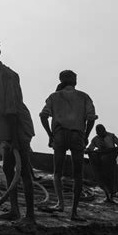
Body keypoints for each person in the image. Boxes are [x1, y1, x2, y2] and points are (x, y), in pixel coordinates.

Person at [0, 37, 35, 225]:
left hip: (17, 125)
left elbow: (11, 107)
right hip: (4, 127)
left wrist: (14, 139)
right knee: (7, 167)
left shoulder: (7, 75)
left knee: (24, 170)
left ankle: (30, 216)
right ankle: (14, 210)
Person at [40, 70, 98, 221]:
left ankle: (60, 203)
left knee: (57, 172)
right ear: (74, 81)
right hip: (77, 134)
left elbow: (43, 115)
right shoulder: (84, 96)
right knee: (78, 174)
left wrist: (49, 134)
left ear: (61, 80)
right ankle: (74, 212)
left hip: (59, 134)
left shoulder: (54, 96)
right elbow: (91, 118)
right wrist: (86, 135)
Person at [86, 124, 118, 202]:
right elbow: (90, 148)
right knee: (102, 179)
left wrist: (111, 150)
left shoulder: (111, 136)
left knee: (112, 179)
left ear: (104, 130)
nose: (99, 134)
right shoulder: (95, 139)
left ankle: (111, 196)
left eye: (100, 132)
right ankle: (107, 196)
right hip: (100, 164)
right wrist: (87, 151)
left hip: (111, 163)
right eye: (98, 133)